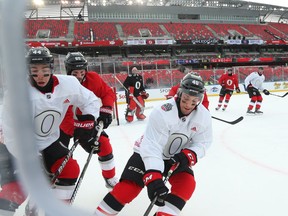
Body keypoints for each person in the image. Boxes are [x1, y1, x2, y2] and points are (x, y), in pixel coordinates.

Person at [94, 73, 213, 216]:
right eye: (186, 99)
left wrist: (189, 154)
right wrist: (154, 176)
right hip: (146, 153)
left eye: (194, 102)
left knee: (186, 184)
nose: (188, 105)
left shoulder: (204, 116)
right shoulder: (163, 111)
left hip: (174, 157)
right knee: (128, 189)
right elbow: (152, 146)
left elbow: (203, 142)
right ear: (180, 93)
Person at [1, 46, 101, 215]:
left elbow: (90, 99)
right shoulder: (17, 93)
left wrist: (89, 120)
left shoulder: (68, 84)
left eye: (44, 71)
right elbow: (9, 131)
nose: (40, 76)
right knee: (18, 187)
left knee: (70, 169)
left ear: (52, 68)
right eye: (34, 71)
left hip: (48, 142)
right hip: (14, 146)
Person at [60, 52, 118, 189]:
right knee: (59, 160)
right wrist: (79, 132)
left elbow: (107, 93)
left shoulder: (93, 79)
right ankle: (47, 187)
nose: (79, 76)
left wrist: (106, 109)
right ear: (68, 72)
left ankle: (110, 178)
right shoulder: (61, 85)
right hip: (62, 125)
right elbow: (66, 117)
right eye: (75, 73)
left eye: (82, 72)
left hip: (86, 121)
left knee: (104, 144)